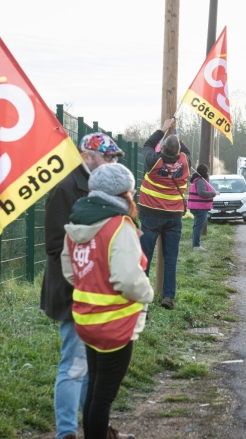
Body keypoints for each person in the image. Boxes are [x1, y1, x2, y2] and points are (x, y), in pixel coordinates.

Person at [61, 163, 153, 439]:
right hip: (116, 325)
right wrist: (148, 293)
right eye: (131, 192)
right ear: (123, 194)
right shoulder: (119, 226)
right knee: (102, 397)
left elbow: (69, 271)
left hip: (86, 321)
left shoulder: (76, 223)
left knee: (94, 392)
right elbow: (127, 279)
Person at [41, 132, 124, 439]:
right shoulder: (65, 189)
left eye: (115, 159)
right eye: (109, 158)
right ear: (87, 157)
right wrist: (85, 276)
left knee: (93, 368)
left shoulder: (102, 188)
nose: (113, 163)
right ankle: (66, 434)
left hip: (97, 296)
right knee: (74, 366)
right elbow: (54, 245)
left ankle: (95, 430)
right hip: (72, 294)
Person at [138, 118, 192, 310]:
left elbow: (147, 144)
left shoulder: (153, 161)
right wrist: (176, 133)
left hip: (151, 216)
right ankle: (168, 296)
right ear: (178, 152)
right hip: (173, 218)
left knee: (145, 257)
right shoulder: (185, 162)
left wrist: (163, 129)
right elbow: (186, 151)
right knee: (170, 259)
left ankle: (142, 297)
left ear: (162, 149)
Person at [187, 164, 219, 251]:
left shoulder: (196, 180)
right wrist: (214, 193)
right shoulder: (200, 181)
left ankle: (195, 244)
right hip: (200, 207)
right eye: (207, 171)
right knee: (198, 227)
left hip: (196, 207)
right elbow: (202, 193)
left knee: (196, 226)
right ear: (205, 172)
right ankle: (196, 245)